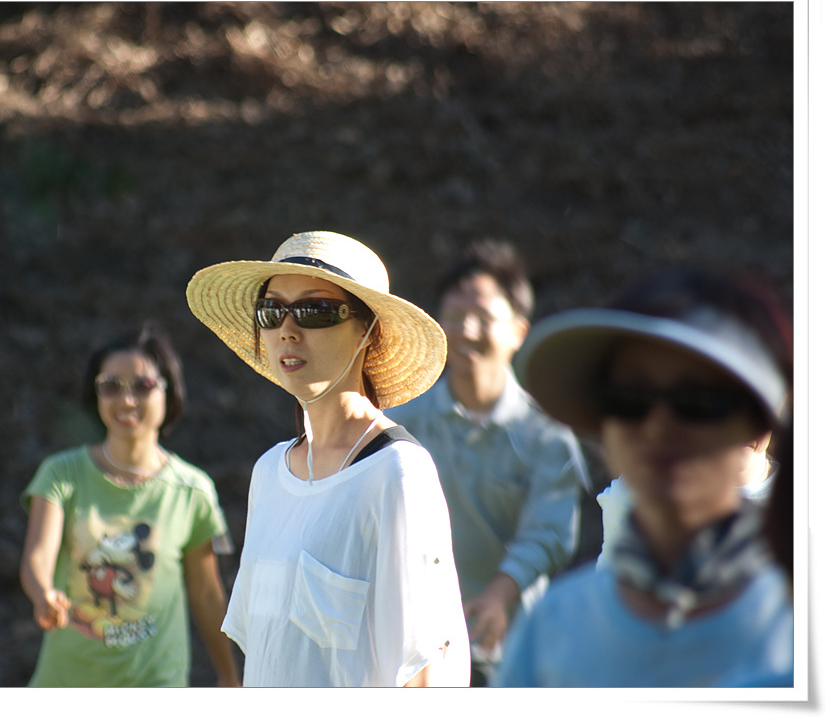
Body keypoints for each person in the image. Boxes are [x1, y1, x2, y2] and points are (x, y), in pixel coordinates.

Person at [185, 230, 469, 687]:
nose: (287, 330)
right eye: (271, 311)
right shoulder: (269, 472)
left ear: (368, 332)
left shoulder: (396, 473)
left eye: (314, 311)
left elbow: (426, 671)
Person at [494, 267, 793, 687]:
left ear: (758, 425)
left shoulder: (797, 630)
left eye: (696, 399)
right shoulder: (552, 628)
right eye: (629, 399)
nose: (657, 426)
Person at [385, 239, 588, 685]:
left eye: (482, 317)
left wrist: (499, 594)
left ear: (518, 331)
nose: (466, 330)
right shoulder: (399, 424)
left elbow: (549, 534)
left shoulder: (547, 435)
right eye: (455, 316)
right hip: (415, 653)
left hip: (513, 649)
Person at [19, 322, 241, 687]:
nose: (126, 401)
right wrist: (43, 593)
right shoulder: (61, 474)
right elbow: (38, 555)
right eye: (111, 386)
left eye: (143, 385)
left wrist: (229, 677)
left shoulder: (192, 490)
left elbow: (206, 593)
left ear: (169, 391)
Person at [596, 430, 775, 569]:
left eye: (754, 410)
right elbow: (609, 586)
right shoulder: (639, 494)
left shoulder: (791, 500)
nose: (741, 430)